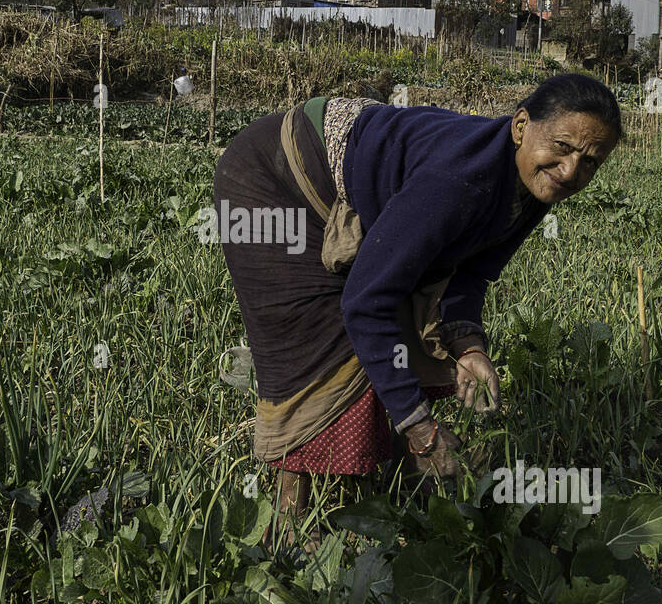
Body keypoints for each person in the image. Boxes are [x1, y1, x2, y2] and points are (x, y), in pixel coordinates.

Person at [212, 73, 621, 551]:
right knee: (319, 343)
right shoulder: (458, 181)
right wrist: (420, 426)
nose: (571, 171)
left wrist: (469, 344)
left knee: (399, 308)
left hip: (343, 161)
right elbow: (366, 304)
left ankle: (400, 473)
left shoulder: (533, 185)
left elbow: (467, 274)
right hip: (274, 178)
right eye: (563, 146)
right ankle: (288, 522)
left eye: (590, 162)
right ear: (520, 126)